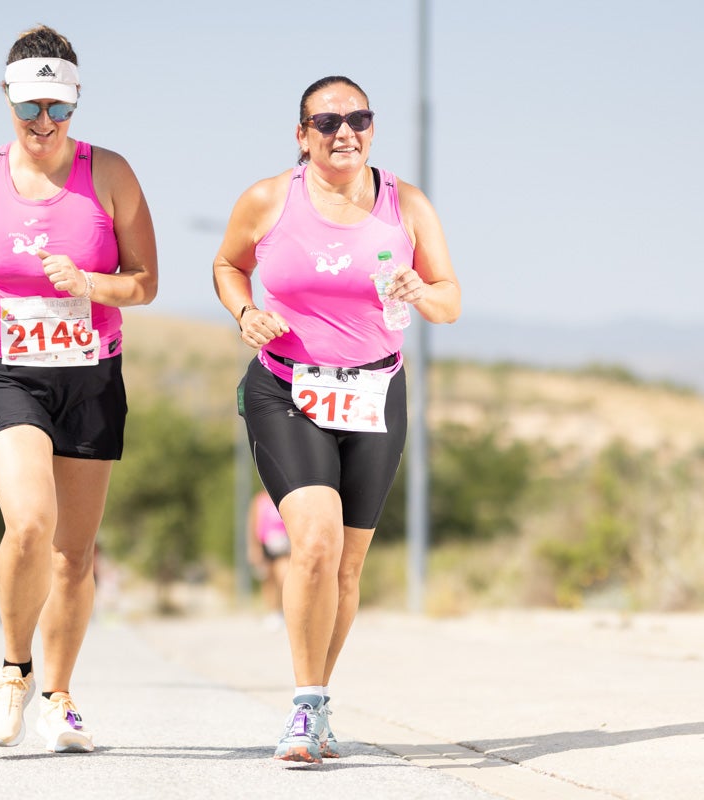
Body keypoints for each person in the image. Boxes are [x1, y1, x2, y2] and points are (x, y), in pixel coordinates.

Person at [212, 75, 461, 764]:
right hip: (286, 390)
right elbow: (227, 264)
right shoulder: (269, 199)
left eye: (358, 118)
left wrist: (422, 289)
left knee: (347, 569)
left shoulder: (405, 204)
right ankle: (303, 707)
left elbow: (449, 301)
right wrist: (245, 312)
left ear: (372, 129)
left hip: (376, 396)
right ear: (302, 135)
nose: (343, 131)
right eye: (326, 122)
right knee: (314, 543)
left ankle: (319, 701)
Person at [0, 24, 157, 753]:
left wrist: (91, 283)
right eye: (30, 109)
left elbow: (145, 284)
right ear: (7, 99)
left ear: (76, 102)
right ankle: (13, 673)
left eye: (58, 109)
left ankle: (59, 696)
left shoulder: (111, 174)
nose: (44, 125)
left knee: (74, 554)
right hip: (4, 368)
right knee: (30, 522)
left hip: (89, 373)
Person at [247, 489, 290, 629]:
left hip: (284, 545)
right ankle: (273, 612)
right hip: (265, 544)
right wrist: (254, 548)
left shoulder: (286, 496)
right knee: (268, 580)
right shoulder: (259, 500)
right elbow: (253, 525)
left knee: (284, 577)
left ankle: (286, 610)